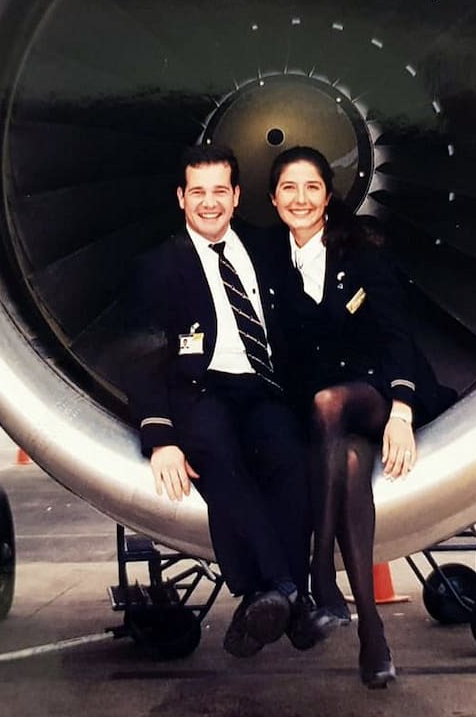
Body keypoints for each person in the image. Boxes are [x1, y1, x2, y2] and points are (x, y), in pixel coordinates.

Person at [263, 146, 454, 688]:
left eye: (312, 188)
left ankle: (320, 573)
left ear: (328, 197)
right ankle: (373, 633)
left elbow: (398, 335)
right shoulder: (268, 262)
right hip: (323, 420)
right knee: (347, 466)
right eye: (289, 189)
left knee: (333, 404)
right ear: (274, 200)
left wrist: (400, 412)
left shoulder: (363, 252)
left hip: (372, 395)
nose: (300, 199)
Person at [126, 144, 317, 657]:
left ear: (235, 197)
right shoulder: (158, 266)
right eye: (197, 193)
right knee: (216, 458)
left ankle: (265, 598)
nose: (208, 203)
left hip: (263, 387)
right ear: (181, 198)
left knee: (292, 461)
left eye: (218, 192)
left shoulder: (268, 247)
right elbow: (142, 356)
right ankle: (287, 592)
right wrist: (160, 437)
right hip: (200, 388)